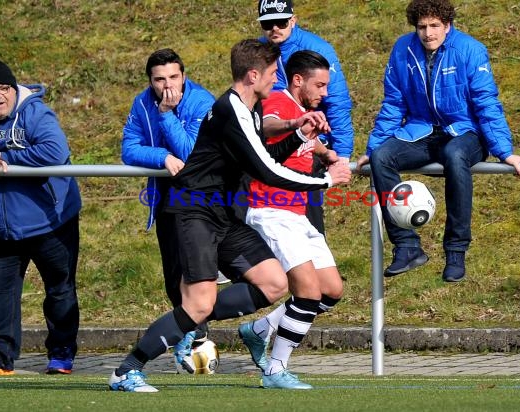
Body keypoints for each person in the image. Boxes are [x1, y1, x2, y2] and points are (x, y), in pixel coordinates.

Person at [107, 39, 351, 393]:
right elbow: (266, 171)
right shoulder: (231, 110)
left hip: (224, 214)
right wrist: (326, 179)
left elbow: (265, 157)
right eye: (271, 75)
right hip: (193, 213)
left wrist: (298, 133)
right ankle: (127, 370)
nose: (275, 81)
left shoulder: (247, 109)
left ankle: (190, 318)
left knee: (273, 282)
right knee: (198, 304)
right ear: (253, 75)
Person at [356, 0, 520, 282]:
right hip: (421, 131)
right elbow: (393, 103)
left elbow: (486, 104)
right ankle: (407, 246)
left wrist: (505, 152)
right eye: (422, 27)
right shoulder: (403, 49)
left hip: (465, 132)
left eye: (434, 26)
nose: (428, 33)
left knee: (455, 155)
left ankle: (456, 250)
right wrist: (373, 147)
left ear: (447, 26)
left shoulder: (470, 50)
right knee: (381, 158)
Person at [238, 50, 344, 390]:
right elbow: (268, 127)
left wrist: (327, 154)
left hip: (297, 214)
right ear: (298, 80)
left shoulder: (303, 111)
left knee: (331, 290)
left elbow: (304, 144)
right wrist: (296, 124)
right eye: (320, 85)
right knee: (308, 292)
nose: (324, 93)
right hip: (271, 211)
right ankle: (274, 370)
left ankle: (260, 330)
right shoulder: (280, 103)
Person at [0, 60, 82, 375]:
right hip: (1, 229)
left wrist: (5, 157)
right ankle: (0, 357)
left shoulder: (36, 114)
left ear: (13, 89)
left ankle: (61, 353)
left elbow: (55, 152)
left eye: (3, 89)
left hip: (51, 222)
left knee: (59, 290)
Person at [121, 48, 215, 348]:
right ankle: (193, 337)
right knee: (174, 276)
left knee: (195, 275)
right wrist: (161, 156)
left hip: (203, 198)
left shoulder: (202, 101)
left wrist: (166, 115)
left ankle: (199, 338)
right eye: (159, 79)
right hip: (165, 198)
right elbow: (129, 150)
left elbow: (189, 152)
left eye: (174, 77)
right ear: (150, 80)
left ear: (184, 76)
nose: (167, 85)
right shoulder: (141, 102)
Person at [256, 0, 355, 234]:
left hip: (307, 148)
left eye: (280, 22)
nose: (274, 29)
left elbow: (337, 102)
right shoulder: (259, 51)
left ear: (293, 20)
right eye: (268, 23)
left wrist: (341, 154)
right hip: (271, 147)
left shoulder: (318, 49)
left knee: (308, 226)